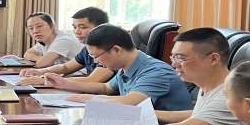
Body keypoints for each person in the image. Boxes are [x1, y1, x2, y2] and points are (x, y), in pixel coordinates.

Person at [59, 28, 250, 125]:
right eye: (173, 57)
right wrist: (149, 114)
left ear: (213, 59)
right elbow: (195, 115)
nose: (174, 64)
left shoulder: (228, 96)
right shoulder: (210, 89)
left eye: (181, 58)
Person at [43, 23, 192, 110]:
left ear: (116, 50)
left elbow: (129, 102)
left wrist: (89, 99)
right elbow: (106, 88)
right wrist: (65, 84)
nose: (96, 62)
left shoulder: (155, 72)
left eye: (96, 56)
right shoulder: (126, 65)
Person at [18, 6, 114, 85]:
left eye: (83, 27)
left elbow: (92, 80)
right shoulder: (86, 49)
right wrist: (40, 72)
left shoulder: (109, 50)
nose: (77, 32)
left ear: (101, 28)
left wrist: (46, 80)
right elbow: (65, 67)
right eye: (75, 27)